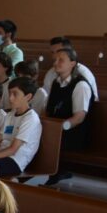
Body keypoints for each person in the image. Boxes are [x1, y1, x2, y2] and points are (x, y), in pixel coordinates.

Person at [45, 47, 93, 185]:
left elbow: (79, 117)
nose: (56, 63)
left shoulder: (80, 85)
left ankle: (55, 172)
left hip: (74, 131)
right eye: (55, 60)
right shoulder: (56, 82)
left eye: (61, 60)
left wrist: (59, 128)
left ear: (72, 63)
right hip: (57, 128)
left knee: (51, 139)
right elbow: (49, 110)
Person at [0, 77, 42, 178]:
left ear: (28, 97)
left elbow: (13, 149)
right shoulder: (10, 115)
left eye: (15, 94)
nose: (10, 98)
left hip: (14, 160)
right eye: (9, 93)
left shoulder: (30, 118)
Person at [43, 36, 99, 100]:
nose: (54, 56)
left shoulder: (84, 74)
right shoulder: (51, 73)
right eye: (52, 52)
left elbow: (91, 102)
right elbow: (46, 97)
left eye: (59, 51)